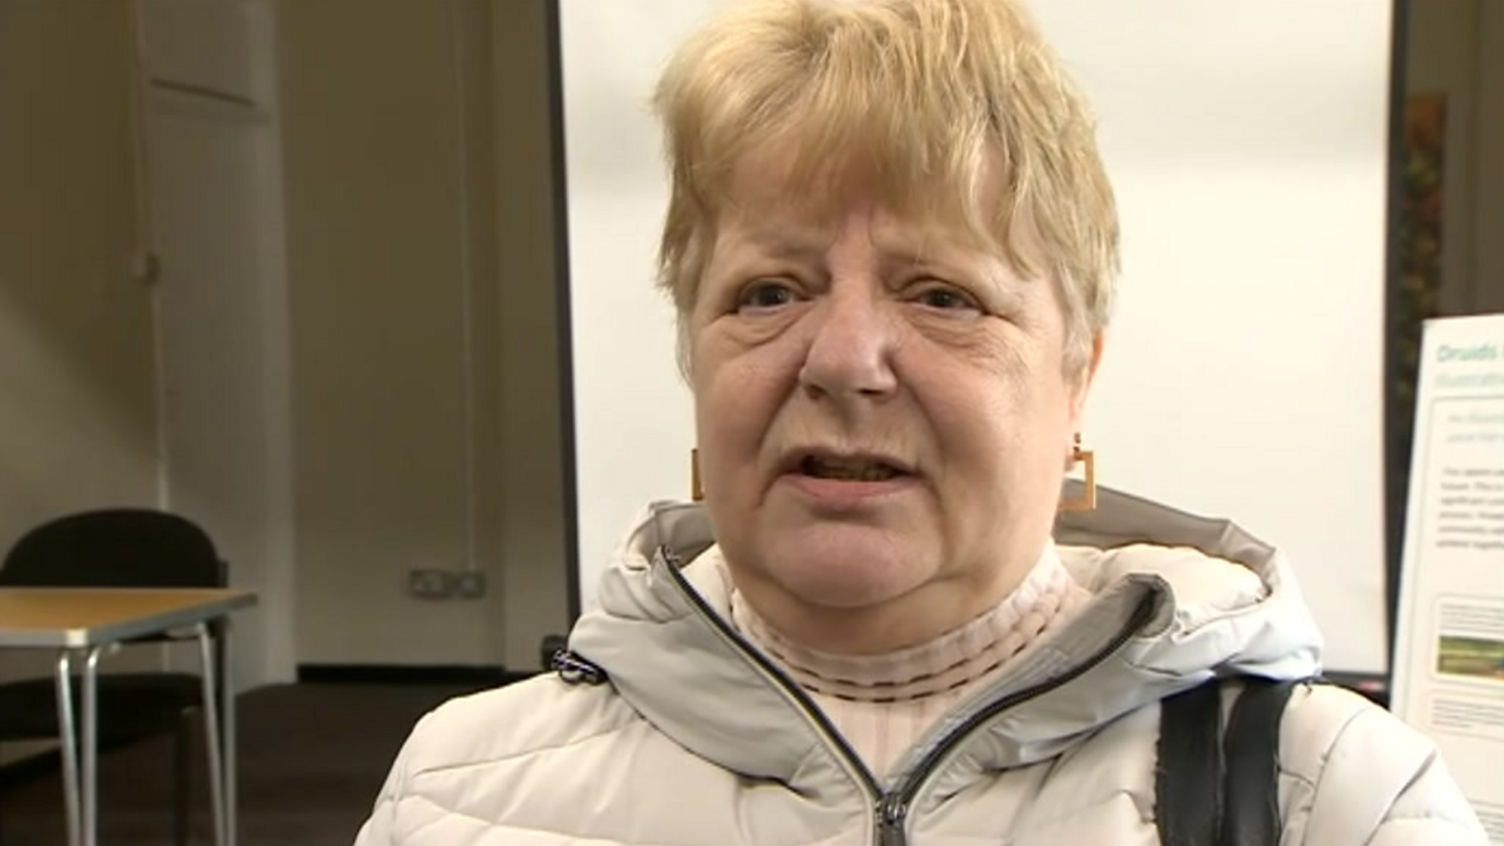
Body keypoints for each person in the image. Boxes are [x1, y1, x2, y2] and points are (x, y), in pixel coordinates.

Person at [354, 0, 1488, 842]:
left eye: (941, 295)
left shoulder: (1330, 799)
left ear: (1074, 376)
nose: (843, 359)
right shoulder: (459, 787)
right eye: (768, 293)